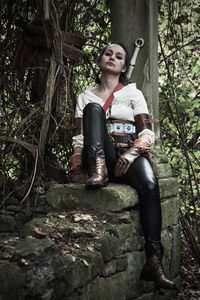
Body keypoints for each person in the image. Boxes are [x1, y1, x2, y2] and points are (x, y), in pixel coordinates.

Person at [70, 43, 176, 291]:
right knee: (93, 108)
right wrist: (77, 164)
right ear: (100, 60)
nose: (112, 57)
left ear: (123, 65)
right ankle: (99, 170)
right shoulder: (85, 96)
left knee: (150, 185)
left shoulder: (132, 93)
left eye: (119, 56)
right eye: (108, 53)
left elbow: (147, 132)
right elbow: (78, 139)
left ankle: (154, 260)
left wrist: (132, 153)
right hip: (100, 155)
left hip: (129, 152)